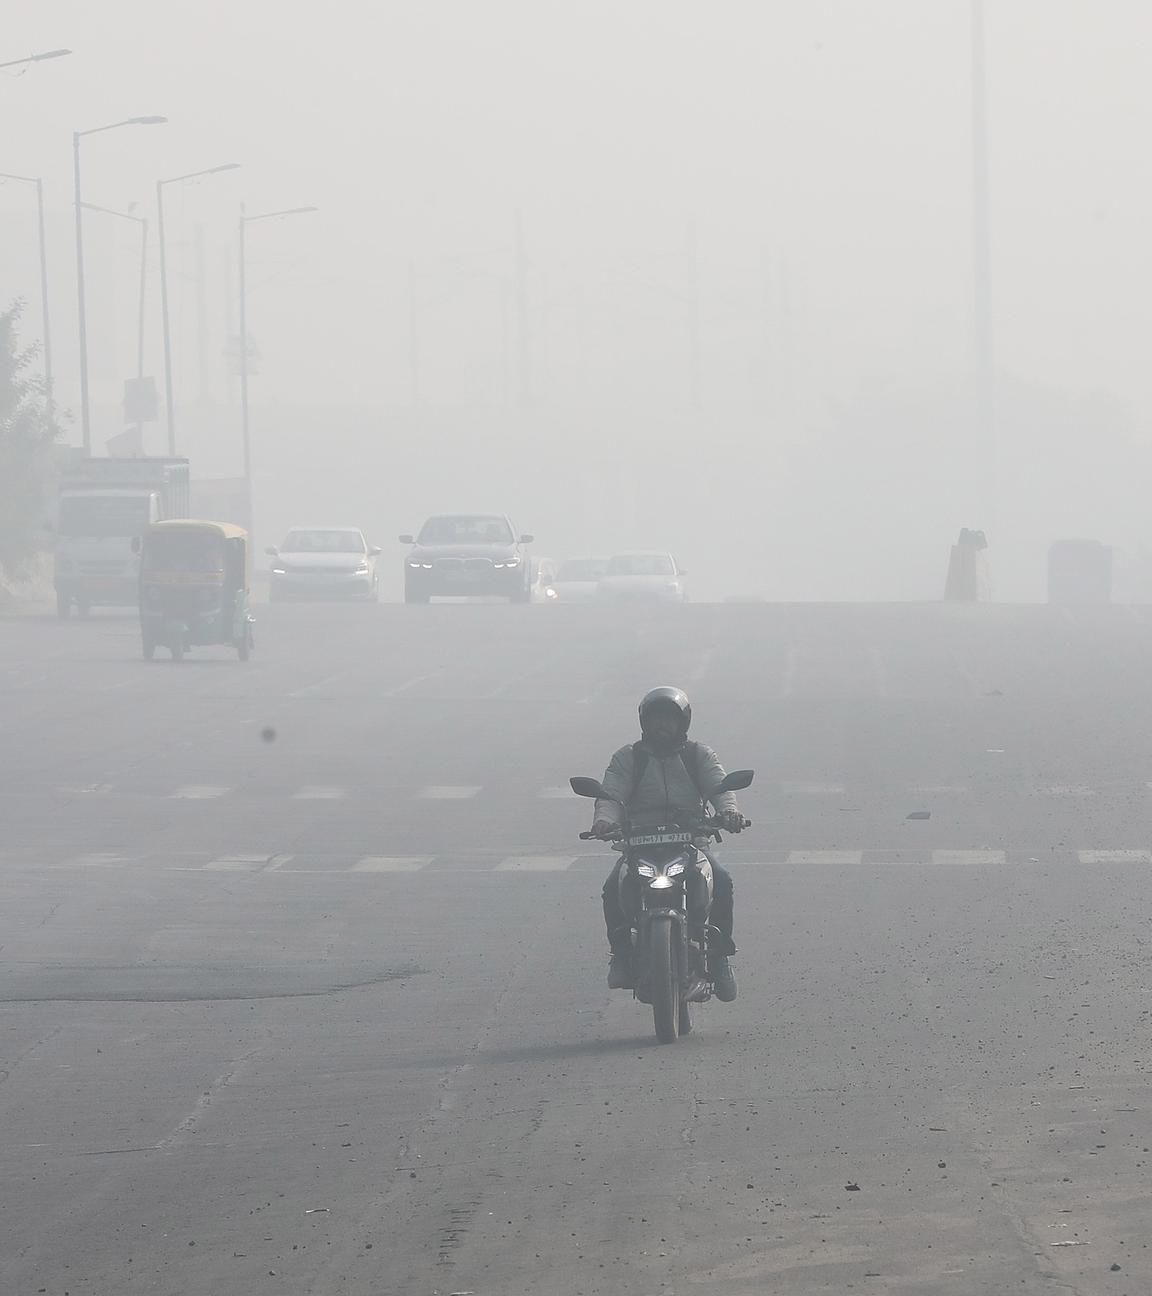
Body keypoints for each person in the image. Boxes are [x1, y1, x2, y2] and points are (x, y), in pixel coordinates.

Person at [587, 686, 741, 1001]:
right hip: (638, 842)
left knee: (722, 880)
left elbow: (719, 787)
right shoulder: (628, 758)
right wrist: (604, 821)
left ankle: (720, 957)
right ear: (644, 722)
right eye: (656, 719)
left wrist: (729, 813)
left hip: (690, 841)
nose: (662, 726)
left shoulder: (698, 755)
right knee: (611, 888)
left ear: (682, 723)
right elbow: (611, 795)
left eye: (668, 720)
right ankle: (620, 954)